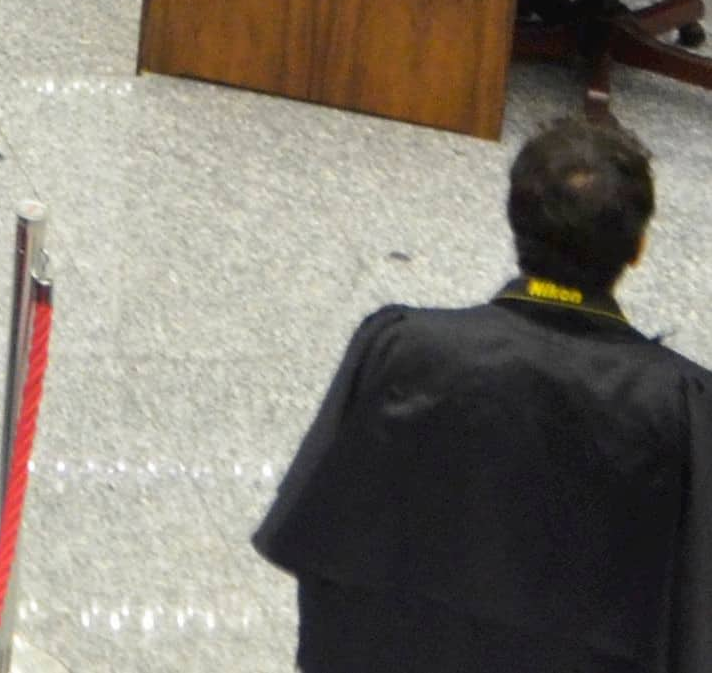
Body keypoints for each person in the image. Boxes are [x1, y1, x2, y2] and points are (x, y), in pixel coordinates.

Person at [259, 113, 712, 673]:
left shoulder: (402, 349)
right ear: (638, 248)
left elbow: (325, 552)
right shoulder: (682, 405)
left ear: (514, 221)